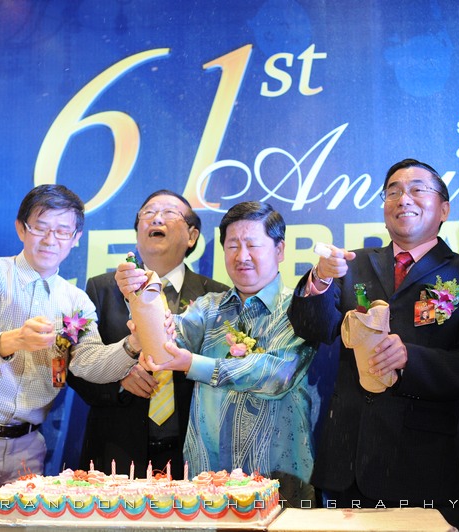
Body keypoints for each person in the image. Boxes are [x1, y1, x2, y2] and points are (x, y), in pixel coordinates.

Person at [287, 159, 459, 528]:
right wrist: (319, 281)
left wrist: (410, 359)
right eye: (393, 191)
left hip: (422, 465)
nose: (403, 199)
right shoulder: (353, 264)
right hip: (348, 463)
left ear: (444, 209)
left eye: (417, 189)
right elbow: (313, 329)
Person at [0, 184, 140, 496]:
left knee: (21, 522)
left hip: (28, 446)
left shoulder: (76, 302)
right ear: (21, 229)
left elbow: (89, 364)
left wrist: (132, 345)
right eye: (40, 227)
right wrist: (13, 340)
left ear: (76, 238)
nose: (51, 239)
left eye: (62, 231)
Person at [117, 201, 317, 507]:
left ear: (279, 250)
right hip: (207, 480)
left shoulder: (300, 309)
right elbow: (168, 339)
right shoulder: (209, 307)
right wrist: (142, 308)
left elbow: (276, 374)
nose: (242, 256)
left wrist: (192, 364)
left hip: (280, 478)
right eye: (232, 246)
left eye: (252, 245)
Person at [67, 190, 227, 479]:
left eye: (169, 213)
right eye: (148, 213)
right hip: (117, 450)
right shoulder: (102, 289)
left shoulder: (215, 296)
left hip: (191, 453)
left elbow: (225, 371)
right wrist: (118, 379)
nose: (156, 219)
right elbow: (76, 369)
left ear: (192, 236)